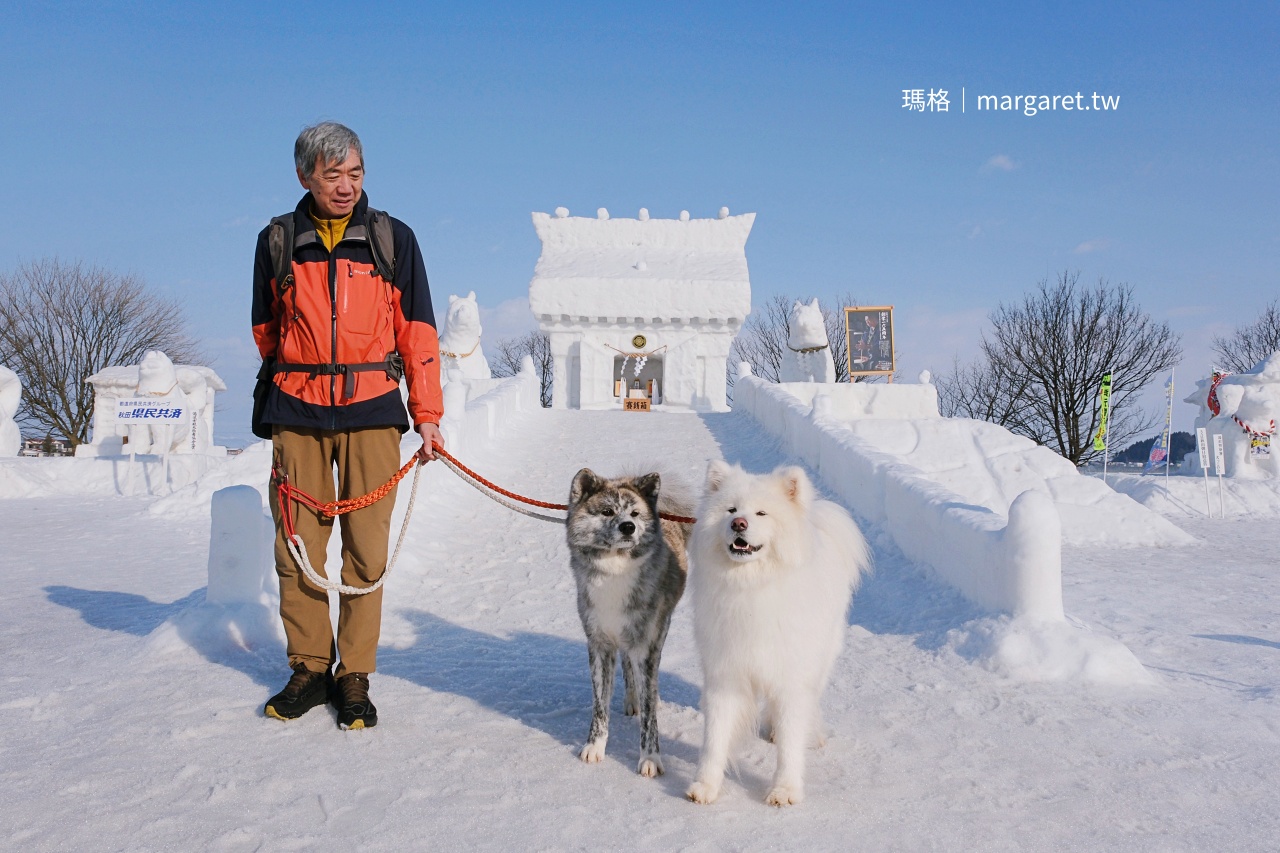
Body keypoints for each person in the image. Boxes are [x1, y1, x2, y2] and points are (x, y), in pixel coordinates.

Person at [251, 122, 444, 730]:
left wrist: (428, 415)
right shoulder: (278, 240)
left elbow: (419, 333)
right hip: (297, 411)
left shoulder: (393, 239)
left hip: (374, 413)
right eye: (333, 175)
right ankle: (308, 667)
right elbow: (266, 331)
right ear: (305, 175)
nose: (346, 186)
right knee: (298, 547)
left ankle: (353, 673)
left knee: (366, 550)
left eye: (356, 174)